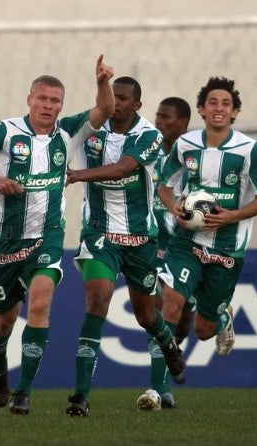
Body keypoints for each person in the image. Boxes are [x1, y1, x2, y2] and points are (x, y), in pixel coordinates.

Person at [0, 55, 115, 415]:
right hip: (7, 242)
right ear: (29, 99)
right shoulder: (5, 132)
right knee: (4, 319)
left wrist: (103, 82)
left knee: (40, 303)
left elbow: (104, 111)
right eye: (42, 98)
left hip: (48, 238)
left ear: (62, 105)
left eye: (55, 101)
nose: (48, 106)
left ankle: (23, 392)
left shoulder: (68, 131)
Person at [64, 77, 186, 417]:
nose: (115, 102)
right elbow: (42, 132)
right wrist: (0, 126)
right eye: (111, 96)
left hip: (139, 240)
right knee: (98, 299)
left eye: (123, 98)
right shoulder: (88, 125)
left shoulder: (149, 135)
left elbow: (123, 169)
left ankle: (169, 345)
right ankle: (81, 396)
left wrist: (76, 175)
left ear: (137, 105)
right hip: (100, 235)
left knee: (148, 315)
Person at [157, 77, 257, 380]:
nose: (219, 108)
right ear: (201, 109)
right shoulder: (186, 144)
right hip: (187, 240)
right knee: (171, 302)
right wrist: (174, 209)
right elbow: (165, 187)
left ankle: (221, 316)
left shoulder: (249, 149)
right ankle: (155, 389)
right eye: (213, 103)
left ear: (235, 112)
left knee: (204, 330)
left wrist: (231, 216)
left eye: (226, 104)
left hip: (227, 246)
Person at [136, 97, 194, 411]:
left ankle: (216, 312)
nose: (158, 121)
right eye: (157, 115)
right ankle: (158, 388)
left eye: (166, 117)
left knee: (184, 319)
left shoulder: (195, 155)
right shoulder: (147, 151)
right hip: (152, 239)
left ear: (182, 122)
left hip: (186, 244)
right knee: (162, 308)